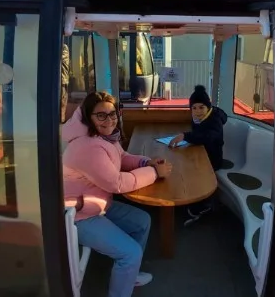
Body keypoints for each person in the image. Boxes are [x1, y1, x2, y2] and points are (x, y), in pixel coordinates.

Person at [63, 91, 170, 296]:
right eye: (100, 115)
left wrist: (145, 162)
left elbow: (122, 157)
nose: (108, 120)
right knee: (130, 253)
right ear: (87, 118)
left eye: (112, 114)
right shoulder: (87, 147)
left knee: (142, 221)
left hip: (97, 204)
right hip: (78, 214)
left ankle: (130, 273)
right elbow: (116, 183)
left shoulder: (104, 139)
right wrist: (155, 172)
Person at [169, 85, 229, 225]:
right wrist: (188, 137)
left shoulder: (214, 120)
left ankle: (204, 207)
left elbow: (208, 136)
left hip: (213, 159)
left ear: (208, 107)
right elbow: (198, 134)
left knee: (197, 174)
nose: (197, 112)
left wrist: (185, 136)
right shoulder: (199, 118)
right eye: (194, 108)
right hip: (203, 153)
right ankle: (190, 199)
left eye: (201, 107)